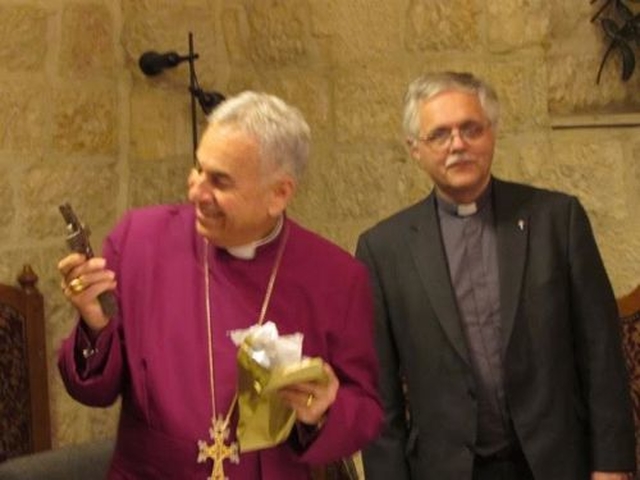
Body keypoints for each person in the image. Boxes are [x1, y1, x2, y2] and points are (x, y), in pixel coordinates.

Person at [57, 91, 382, 479]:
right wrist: (95, 325)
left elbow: (364, 409)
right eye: (198, 169)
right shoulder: (139, 241)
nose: (196, 191)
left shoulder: (336, 277)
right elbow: (93, 392)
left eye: (220, 181)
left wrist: (324, 411)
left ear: (279, 193)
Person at [356, 71, 636, 480]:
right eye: (440, 134)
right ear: (414, 149)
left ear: (492, 133)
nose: (458, 144)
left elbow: (601, 351)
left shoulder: (557, 221)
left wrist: (612, 465)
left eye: (471, 129)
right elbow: (380, 394)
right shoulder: (383, 250)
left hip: (555, 463)